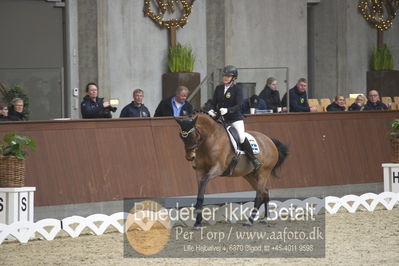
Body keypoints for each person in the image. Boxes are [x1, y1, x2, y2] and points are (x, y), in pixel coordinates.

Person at [207, 65, 262, 170]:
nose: (225, 78)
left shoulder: (237, 89)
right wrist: (211, 109)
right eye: (224, 76)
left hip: (234, 118)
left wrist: (228, 110)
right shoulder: (218, 88)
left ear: (233, 78)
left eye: (228, 76)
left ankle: (253, 159)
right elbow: (213, 102)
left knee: (241, 137)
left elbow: (239, 105)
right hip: (221, 119)